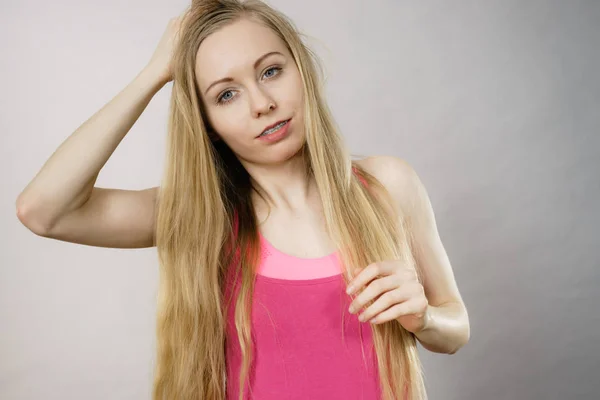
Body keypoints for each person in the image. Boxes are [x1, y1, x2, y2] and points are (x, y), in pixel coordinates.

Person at [15, 1, 470, 399]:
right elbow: (42, 210)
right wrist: (154, 74)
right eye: (226, 94)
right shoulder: (199, 217)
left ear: (302, 69)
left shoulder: (388, 184)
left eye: (271, 71)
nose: (261, 103)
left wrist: (425, 317)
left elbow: (455, 328)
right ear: (207, 122)